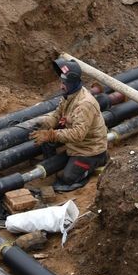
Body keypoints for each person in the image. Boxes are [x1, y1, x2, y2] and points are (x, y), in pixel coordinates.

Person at [30, 58, 108, 192]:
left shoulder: (85, 104)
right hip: (75, 146)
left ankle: (98, 161)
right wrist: (43, 123)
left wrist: (50, 135)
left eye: (64, 83)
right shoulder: (69, 95)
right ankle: (60, 160)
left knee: (67, 179)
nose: (61, 86)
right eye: (61, 82)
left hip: (90, 150)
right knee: (48, 133)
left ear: (73, 83)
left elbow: (78, 134)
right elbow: (57, 115)